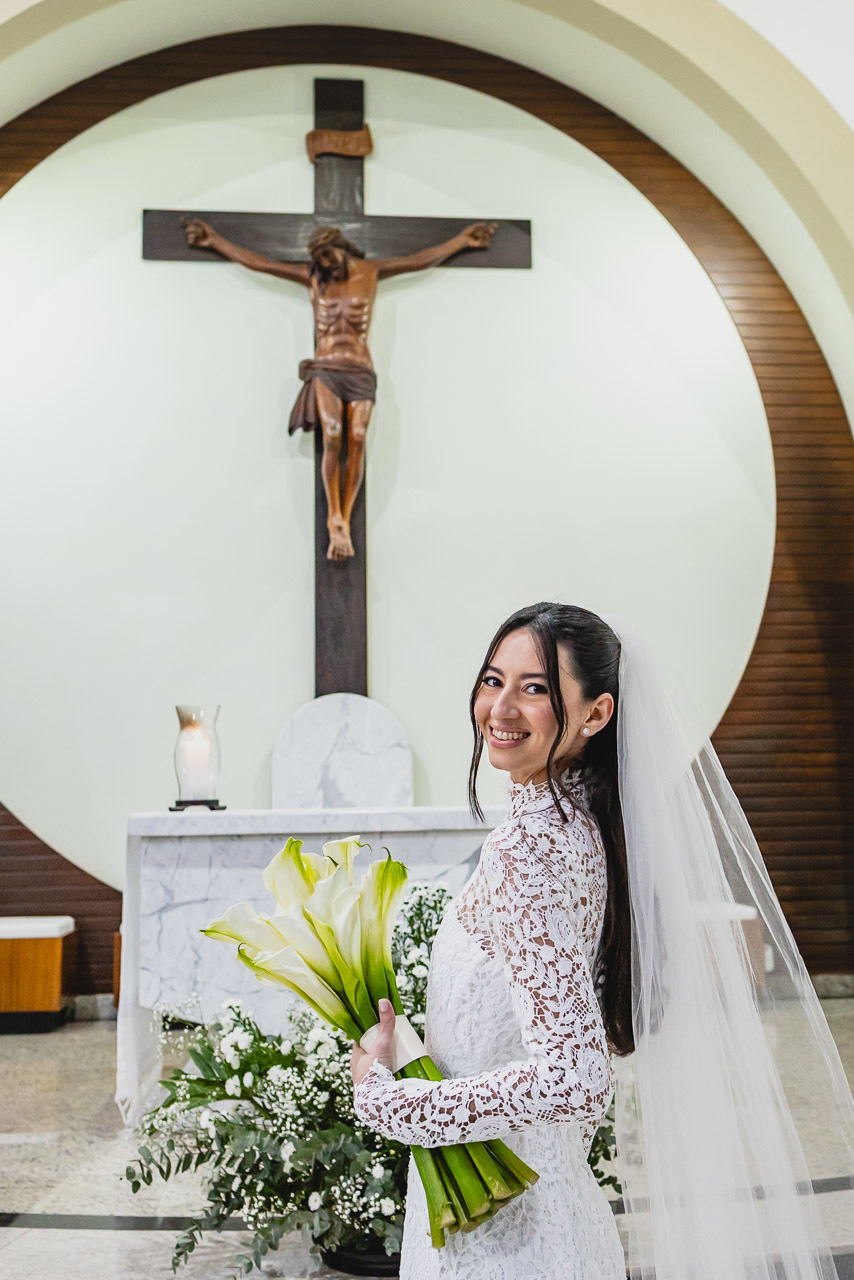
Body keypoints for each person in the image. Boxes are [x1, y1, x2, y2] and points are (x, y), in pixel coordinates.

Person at [351, 602, 854, 1279]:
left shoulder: (529, 851)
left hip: (510, 1242)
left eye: (535, 688)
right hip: (547, 1210)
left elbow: (575, 1076)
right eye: (493, 680)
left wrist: (393, 1102)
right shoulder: (589, 823)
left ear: (596, 714)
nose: (501, 707)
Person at [182, 218, 495, 560]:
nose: (326, 264)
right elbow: (262, 263)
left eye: (329, 255)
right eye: (320, 259)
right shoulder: (314, 277)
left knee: (357, 435)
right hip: (326, 368)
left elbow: (418, 259)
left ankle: (345, 512)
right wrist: (214, 240)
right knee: (332, 434)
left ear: (341, 247)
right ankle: (336, 519)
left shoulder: (370, 272)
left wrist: (461, 242)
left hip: (360, 368)